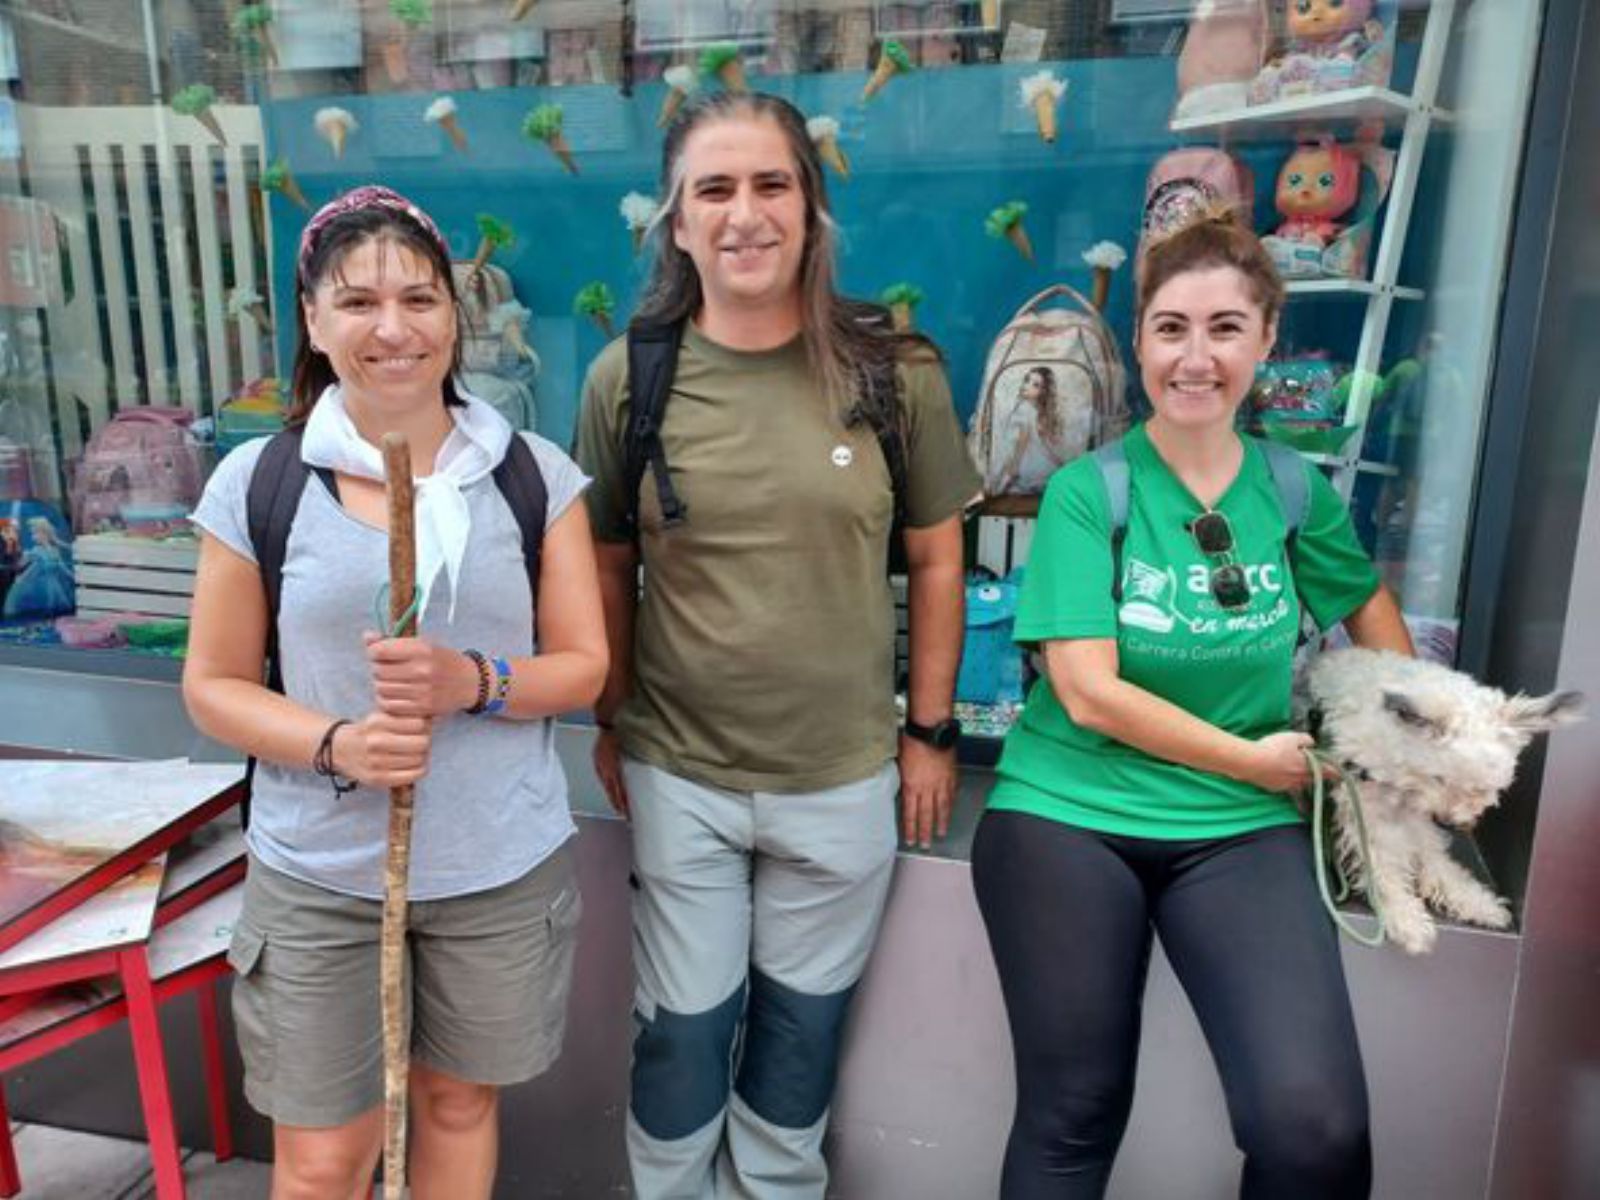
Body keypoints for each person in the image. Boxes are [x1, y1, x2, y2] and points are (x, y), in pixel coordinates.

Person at [573, 92, 979, 1199]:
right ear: (676, 220)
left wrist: (929, 736)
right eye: (715, 188)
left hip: (842, 778)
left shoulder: (896, 375)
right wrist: (611, 718)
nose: (745, 214)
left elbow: (940, 561)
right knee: (682, 1035)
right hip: (681, 775)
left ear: (811, 207)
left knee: (800, 1043)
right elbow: (605, 562)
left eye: (770, 185)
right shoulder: (629, 378)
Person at [971, 210, 1415, 1200]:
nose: (1195, 355)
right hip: (1065, 816)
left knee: (1315, 1129)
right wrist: (1258, 761)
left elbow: (1378, 628)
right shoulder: (1094, 491)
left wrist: (1396, 748)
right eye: (1170, 327)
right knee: (1074, 1110)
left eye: (1223, 328)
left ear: (1264, 340)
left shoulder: (1298, 493)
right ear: (1139, 344)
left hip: (1240, 832)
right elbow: (1086, 693)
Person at [182, 186, 607, 1200]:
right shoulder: (259, 483)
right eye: (358, 302)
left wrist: (475, 681)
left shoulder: (530, 476)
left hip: (495, 866)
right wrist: (337, 743)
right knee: (326, 1158)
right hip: (320, 874)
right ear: (315, 321)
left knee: (458, 1106)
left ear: (454, 320)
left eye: (420, 299)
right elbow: (212, 685)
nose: (393, 328)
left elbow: (584, 665)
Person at [993, 365, 1067, 494]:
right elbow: (1043, 445)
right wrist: (1059, 463)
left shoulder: (1025, 408)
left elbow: (1023, 440)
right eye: (1027, 380)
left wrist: (1014, 467)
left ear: (1043, 391)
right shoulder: (1037, 411)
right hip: (1042, 464)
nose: (1027, 385)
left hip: (1028, 464)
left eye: (1035, 385)